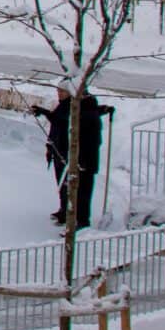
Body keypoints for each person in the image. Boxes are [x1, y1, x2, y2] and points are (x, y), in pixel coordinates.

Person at [70, 92, 109, 229]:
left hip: (85, 162)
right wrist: (104, 109)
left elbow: (90, 142)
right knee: (82, 192)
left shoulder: (86, 117)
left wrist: (82, 161)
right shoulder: (90, 111)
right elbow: (94, 111)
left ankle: (82, 221)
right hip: (88, 161)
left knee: (82, 193)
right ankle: (80, 219)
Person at [38, 84, 74, 224]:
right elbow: (55, 125)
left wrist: (45, 112)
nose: (59, 93)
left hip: (63, 149)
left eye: (62, 91)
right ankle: (63, 209)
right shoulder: (62, 105)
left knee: (65, 182)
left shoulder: (70, 106)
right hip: (57, 148)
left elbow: (60, 121)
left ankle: (67, 212)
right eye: (58, 91)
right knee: (60, 182)